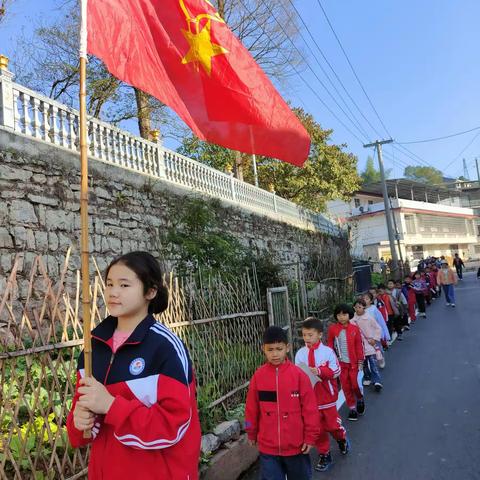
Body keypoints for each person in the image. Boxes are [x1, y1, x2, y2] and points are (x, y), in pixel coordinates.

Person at [66, 251, 201, 479]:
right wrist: (79, 422)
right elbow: (82, 423)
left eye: (124, 285)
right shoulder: (93, 347)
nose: (113, 292)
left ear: (150, 291)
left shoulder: (165, 348)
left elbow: (175, 426)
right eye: (109, 284)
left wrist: (111, 406)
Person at [245, 326, 318, 480]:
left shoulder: (299, 376)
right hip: (268, 448)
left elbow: (310, 409)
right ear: (263, 349)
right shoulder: (258, 376)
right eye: (270, 349)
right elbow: (251, 409)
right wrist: (251, 432)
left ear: (287, 348)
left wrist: (310, 437)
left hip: (296, 447)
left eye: (279, 349)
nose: (275, 354)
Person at [295, 318, 349, 473]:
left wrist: (320, 371)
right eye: (304, 335)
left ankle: (341, 438)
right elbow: (297, 374)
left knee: (332, 426)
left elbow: (336, 371)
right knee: (317, 429)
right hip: (310, 400)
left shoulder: (327, 352)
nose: (307, 338)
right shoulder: (300, 353)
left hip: (327, 398)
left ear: (319, 335)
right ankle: (324, 454)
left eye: (310, 335)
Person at [327, 304, 365, 422]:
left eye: (344, 314)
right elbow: (330, 345)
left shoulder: (355, 329)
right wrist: (331, 361)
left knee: (355, 384)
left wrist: (360, 361)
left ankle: (359, 398)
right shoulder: (333, 329)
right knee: (346, 387)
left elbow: (359, 346)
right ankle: (352, 408)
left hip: (354, 364)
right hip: (341, 364)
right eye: (339, 315)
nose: (341, 317)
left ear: (349, 315)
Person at [352, 300, 383, 391]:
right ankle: (368, 377)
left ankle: (377, 380)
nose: (358, 309)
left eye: (360, 307)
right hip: (359, 345)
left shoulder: (369, 318)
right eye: (356, 307)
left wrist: (375, 338)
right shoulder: (352, 321)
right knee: (363, 363)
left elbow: (378, 328)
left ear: (364, 307)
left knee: (373, 363)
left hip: (369, 343)